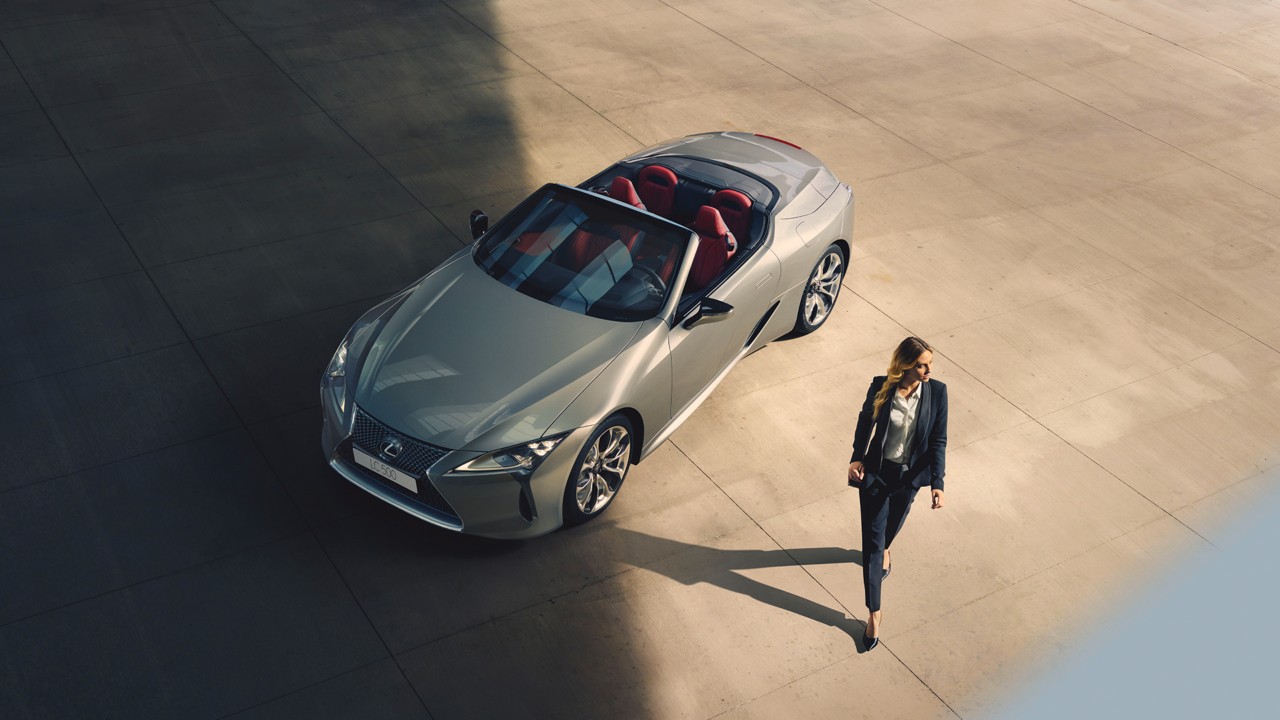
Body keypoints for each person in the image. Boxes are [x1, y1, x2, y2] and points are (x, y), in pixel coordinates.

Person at [847, 336, 948, 651]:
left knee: (889, 532)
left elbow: (938, 441)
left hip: (909, 480)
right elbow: (866, 423)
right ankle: (874, 612)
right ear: (905, 365)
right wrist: (856, 456)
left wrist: (937, 483)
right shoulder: (881, 386)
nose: (928, 370)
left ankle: (887, 547)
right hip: (877, 476)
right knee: (873, 548)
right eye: (921, 364)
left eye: (930, 363)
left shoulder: (938, 393)